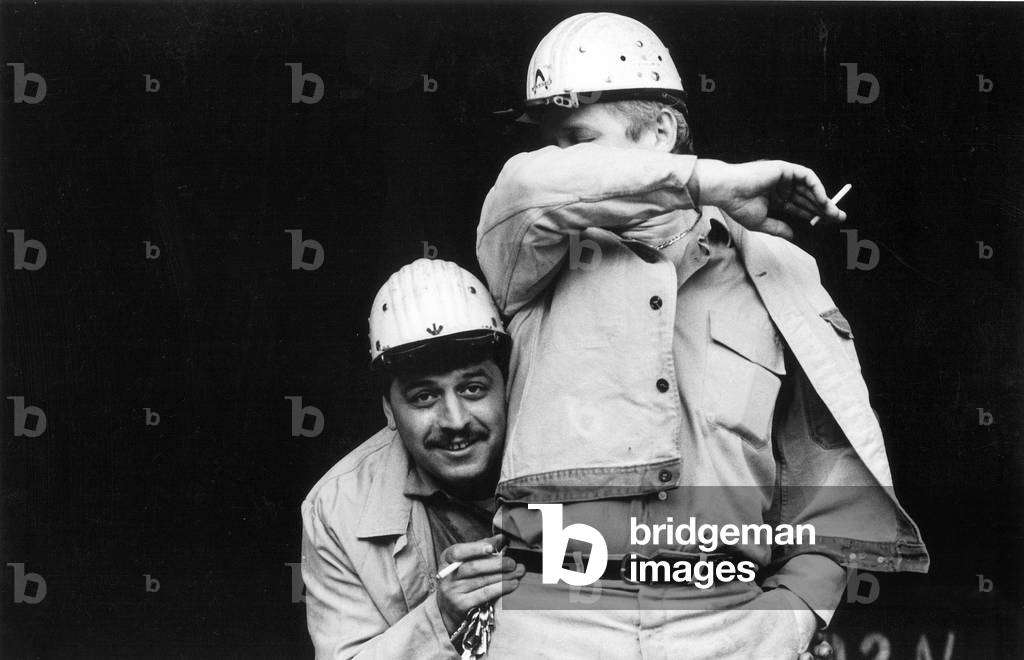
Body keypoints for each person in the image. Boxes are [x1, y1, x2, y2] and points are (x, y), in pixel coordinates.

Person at [475, 12, 929, 659]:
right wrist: (709, 180)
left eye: (576, 140)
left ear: (659, 131)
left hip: (728, 626)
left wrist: (796, 613)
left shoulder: (780, 271)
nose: (559, 163)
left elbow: (829, 468)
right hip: (552, 623)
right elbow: (527, 185)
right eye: (549, 145)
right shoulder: (530, 249)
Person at [301, 259, 525, 659]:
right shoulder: (335, 509)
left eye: (473, 388)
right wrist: (440, 618)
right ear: (388, 409)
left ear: (506, 386)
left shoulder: (569, 462)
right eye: (424, 396)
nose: (455, 421)